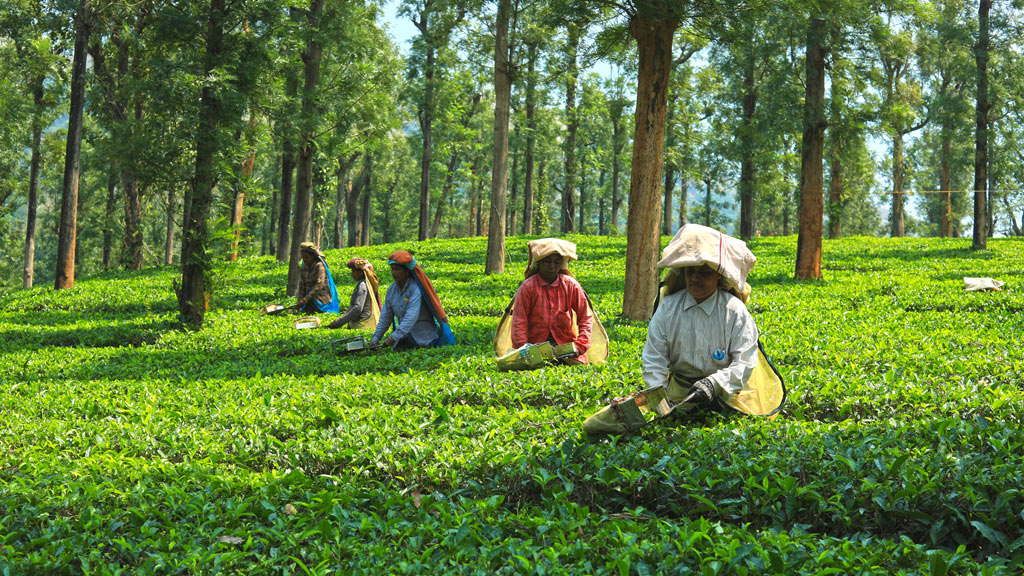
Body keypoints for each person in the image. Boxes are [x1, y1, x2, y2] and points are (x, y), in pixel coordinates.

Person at [641, 225, 759, 412]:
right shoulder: (668, 307)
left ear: (719, 277)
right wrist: (660, 401)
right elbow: (654, 359)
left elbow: (745, 362)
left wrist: (714, 384)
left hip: (725, 397)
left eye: (704, 272)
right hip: (679, 394)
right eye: (690, 271)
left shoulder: (735, 312)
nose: (695, 278)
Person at [510, 238, 593, 364]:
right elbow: (519, 322)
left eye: (556, 262)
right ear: (539, 263)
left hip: (566, 348)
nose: (552, 267)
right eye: (547, 262)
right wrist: (523, 348)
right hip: (535, 347)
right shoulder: (528, 287)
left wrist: (580, 345)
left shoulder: (571, 285)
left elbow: (585, 318)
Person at [371, 250, 456, 350]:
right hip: (404, 339)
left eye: (397, 269)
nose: (394, 273)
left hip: (423, 339)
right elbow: (385, 317)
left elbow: (411, 317)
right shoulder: (392, 290)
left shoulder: (415, 289)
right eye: (392, 269)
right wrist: (376, 338)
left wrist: (393, 338)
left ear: (406, 271)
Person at [327, 258, 381, 330]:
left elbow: (357, 308)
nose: (352, 274)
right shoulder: (364, 283)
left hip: (362, 324)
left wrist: (338, 322)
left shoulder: (362, 286)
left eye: (353, 271)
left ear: (361, 272)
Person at [294, 242, 340, 314]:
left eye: (306, 257)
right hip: (308, 300)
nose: (304, 259)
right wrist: (299, 301)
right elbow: (302, 286)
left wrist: (305, 300)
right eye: (303, 257)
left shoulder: (319, 265)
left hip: (321, 299)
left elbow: (319, 284)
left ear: (312, 256)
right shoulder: (303, 268)